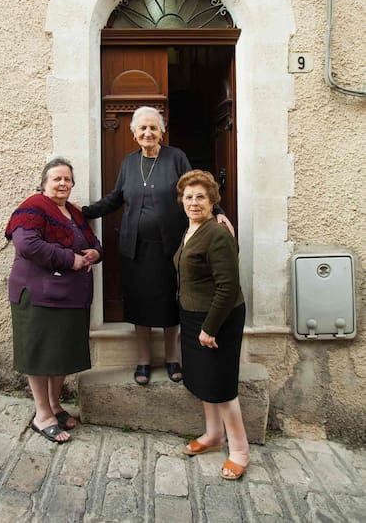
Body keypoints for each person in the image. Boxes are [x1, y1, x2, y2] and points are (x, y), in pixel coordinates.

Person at [81, 106, 233, 386]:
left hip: (170, 248)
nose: (148, 133)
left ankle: (172, 358)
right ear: (134, 133)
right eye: (142, 128)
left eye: (153, 128)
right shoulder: (129, 163)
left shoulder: (176, 158)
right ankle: (143, 360)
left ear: (162, 132)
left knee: (169, 304)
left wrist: (219, 211)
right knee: (140, 304)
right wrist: (83, 212)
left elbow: (196, 187)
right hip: (136, 249)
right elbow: (116, 198)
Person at [5, 157, 102, 444]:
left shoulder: (73, 212)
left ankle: (55, 405)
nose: (63, 183)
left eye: (67, 179)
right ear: (44, 182)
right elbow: (27, 244)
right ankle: (42, 415)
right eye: (57, 178)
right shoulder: (32, 207)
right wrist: (70, 259)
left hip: (68, 296)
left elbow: (92, 243)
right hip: (37, 295)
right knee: (40, 355)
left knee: (58, 354)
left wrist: (95, 253)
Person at [173, 170, 249, 480]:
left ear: (212, 201)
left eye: (200, 197)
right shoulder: (191, 229)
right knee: (204, 381)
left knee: (221, 386)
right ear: (182, 201)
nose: (193, 202)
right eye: (188, 197)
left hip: (219, 318)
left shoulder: (217, 233)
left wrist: (210, 328)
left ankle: (240, 450)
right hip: (194, 315)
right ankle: (213, 436)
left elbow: (227, 286)